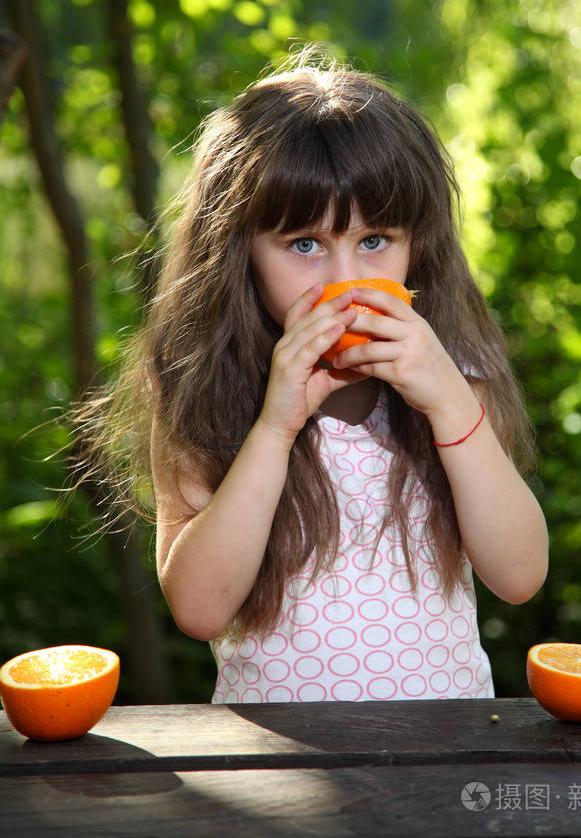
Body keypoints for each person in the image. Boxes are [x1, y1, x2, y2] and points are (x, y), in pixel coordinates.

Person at [80, 50, 548, 703]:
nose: (343, 280)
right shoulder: (205, 395)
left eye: (376, 240)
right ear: (238, 249)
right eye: (305, 244)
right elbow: (199, 608)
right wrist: (275, 425)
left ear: (419, 244)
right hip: (279, 771)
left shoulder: (458, 378)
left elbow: (521, 573)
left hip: (445, 757)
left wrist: (446, 401)